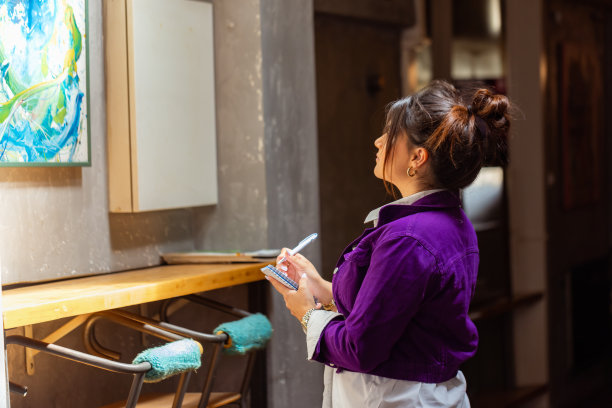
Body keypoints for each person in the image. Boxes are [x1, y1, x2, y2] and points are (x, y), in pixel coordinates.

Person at [266, 80, 511, 407]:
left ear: (417, 157)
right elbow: (397, 313)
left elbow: (361, 348)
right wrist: (321, 288)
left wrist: (307, 314)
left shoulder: (409, 238)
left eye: (390, 135)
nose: (378, 141)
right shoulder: (448, 222)